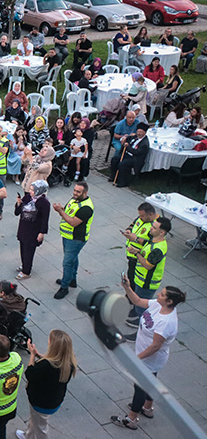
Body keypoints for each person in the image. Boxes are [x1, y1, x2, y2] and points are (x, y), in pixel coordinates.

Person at [111, 281, 185, 430]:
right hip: (145, 355)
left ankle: (131, 419)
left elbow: (155, 346)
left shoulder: (166, 322)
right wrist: (127, 287)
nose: (159, 294)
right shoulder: (158, 305)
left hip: (149, 359)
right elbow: (137, 301)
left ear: (170, 301)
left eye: (162, 294)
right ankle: (148, 408)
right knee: (150, 381)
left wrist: (136, 359)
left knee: (140, 386)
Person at [17, 330, 77, 439]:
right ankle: (29, 436)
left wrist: (32, 355)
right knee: (35, 420)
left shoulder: (45, 366)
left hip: (41, 402)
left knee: (41, 428)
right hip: (54, 399)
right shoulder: (69, 362)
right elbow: (54, 361)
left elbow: (30, 373)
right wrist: (38, 354)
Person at [126, 216, 171, 323]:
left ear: (162, 232)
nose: (151, 228)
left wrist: (136, 253)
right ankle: (137, 313)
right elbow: (146, 251)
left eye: (154, 228)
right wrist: (136, 250)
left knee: (142, 307)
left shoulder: (158, 249)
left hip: (147, 282)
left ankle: (142, 325)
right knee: (138, 301)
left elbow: (148, 265)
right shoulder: (153, 240)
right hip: (140, 279)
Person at [53, 182, 94, 299]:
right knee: (73, 258)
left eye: (78, 192)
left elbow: (73, 222)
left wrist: (60, 212)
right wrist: (62, 209)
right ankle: (72, 280)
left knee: (67, 262)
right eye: (75, 190)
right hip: (68, 236)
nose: (75, 193)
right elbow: (67, 211)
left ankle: (64, 287)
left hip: (76, 239)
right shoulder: (75, 200)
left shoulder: (86, 208)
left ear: (85, 193)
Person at [14, 180, 50, 281]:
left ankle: (26, 271)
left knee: (29, 250)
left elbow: (45, 219)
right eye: (30, 189)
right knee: (23, 247)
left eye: (33, 190)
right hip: (24, 228)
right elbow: (17, 212)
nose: (30, 191)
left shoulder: (44, 203)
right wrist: (18, 204)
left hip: (34, 230)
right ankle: (24, 264)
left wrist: (42, 232)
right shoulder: (27, 197)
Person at [110, 122, 149, 188]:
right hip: (127, 154)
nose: (139, 133)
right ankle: (114, 177)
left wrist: (128, 147)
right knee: (114, 159)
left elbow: (136, 152)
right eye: (138, 131)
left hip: (135, 158)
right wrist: (125, 138)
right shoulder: (135, 137)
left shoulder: (144, 143)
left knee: (122, 164)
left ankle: (123, 182)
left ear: (145, 132)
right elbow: (128, 139)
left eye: (141, 132)